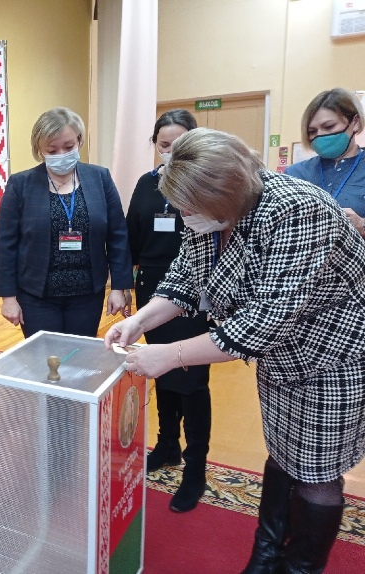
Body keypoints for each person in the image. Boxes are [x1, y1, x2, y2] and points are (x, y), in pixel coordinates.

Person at [105, 127, 365, 573]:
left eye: (190, 207)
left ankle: (300, 567)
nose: (185, 215)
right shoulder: (209, 215)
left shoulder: (298, 209)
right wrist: (139, 321)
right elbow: (184, 278)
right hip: (281, 357)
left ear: (225, 194)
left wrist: (169, 356)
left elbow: (266, 321)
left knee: (317, 472)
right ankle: (266, 555)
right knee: (284, 450)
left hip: (334, 354)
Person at [125, 109, 212, 512]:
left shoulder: (204, 184)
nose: (170, 152)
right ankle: (166, 445)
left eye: (179, 145)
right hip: (153, 291)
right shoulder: (146, 184)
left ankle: (195, 469)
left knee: (191, 380)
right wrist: (125, 287)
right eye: (164, 145)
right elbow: (131, 236)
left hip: (195, 293)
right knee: (158, 368)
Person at [0, 107, 133, 338]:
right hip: (36, 295)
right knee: (45, 356)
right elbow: (5, 244)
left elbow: (117, 236)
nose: (61, 154)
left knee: (79, 354)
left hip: (87, 294)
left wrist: (119, 287)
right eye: (52, 150)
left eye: (68, 147)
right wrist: (7, 297)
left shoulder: (100, 178)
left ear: (79, 140)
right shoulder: (21, 184)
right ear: (39, 149)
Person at [285, 88, 365, 237]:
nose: (320, 135)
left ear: (355, 122)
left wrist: (362, 225)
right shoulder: (294, 174)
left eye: (329, 127)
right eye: (312, 131)